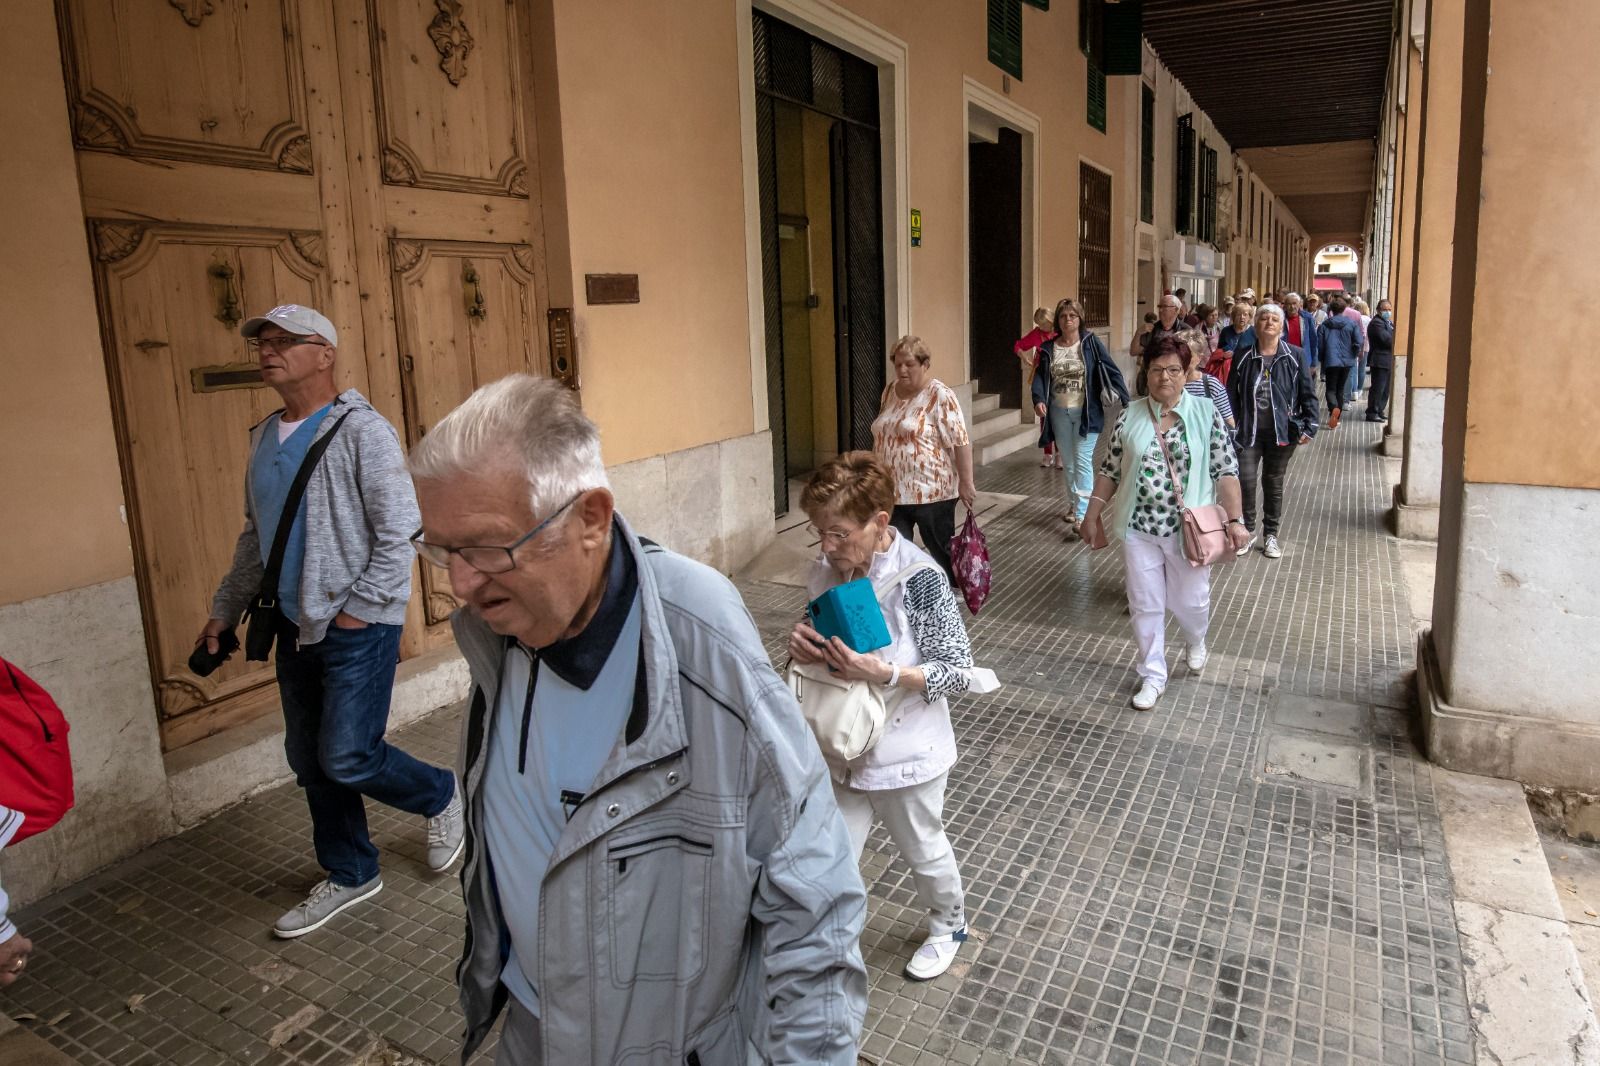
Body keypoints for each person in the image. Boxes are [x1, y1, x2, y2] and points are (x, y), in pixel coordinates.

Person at [408, 375, 868, 1064]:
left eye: (484, 548)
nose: (459, 583)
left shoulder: (702, 641)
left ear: (591, 518)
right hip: (526, 1035)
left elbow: (815, 901)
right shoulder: (498, 633)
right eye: (442, 550)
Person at [198, 305, 463, 939]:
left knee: (347, 754)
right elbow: (254, 536)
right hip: (291, 625)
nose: (269, 350)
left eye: (286, 341)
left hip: (354, 627)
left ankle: (441, 794)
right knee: (308, 758)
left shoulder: (362, 432)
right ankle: (350, 871)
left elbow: (400, 530)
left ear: (325, 353)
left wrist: (356, 611)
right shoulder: (263, 437)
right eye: (263, 342)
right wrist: (223, 610)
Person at [790, 451, 979, 981]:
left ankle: (948, 925)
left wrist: (885, 674)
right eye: (819, 533)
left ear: (880, 523)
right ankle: (832, 947)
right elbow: (820, 643)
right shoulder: (825, 571)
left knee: (923, 849)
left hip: (907, 750)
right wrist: (800, 646)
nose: (828, 547)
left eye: (840, 534)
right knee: (833, 857)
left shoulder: (921, 578)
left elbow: (957, 672)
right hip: (841, 746)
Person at [1080, 336, 1248, 711]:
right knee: (1145, 603)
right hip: (1139, 527)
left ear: (1187, 373)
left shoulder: (1206, 413)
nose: (1165, 377)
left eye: (1173, 369)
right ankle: (1153, 674)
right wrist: (1092, 514)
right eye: (1156, 369)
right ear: (1146, 373)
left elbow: (1225, 471)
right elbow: (1110, 470)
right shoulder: (1130, 413)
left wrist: (1235, 520)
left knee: (1191, 602)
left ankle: (1195, 638)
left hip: (1188, 532)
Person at [873, 336, 977, 582]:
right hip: (892, 491)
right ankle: (904, 590)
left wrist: (966, 481)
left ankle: (953, 587)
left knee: (940, 547)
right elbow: (882, 434)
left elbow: (960, 441)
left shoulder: (940, 394)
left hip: (932, 491)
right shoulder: (889, 391)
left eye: (909, 364)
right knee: (895, 548)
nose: (902, 370)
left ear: (924, 364)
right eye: (898, 364)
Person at [1226, 303, 1320, 560]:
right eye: (1264, 319)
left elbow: (1307, 392)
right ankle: (1247, 531)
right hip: (1248, 431)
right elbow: (1230, 393)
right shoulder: (1242, 354)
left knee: (1273, 482)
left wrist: (1311, 424)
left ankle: (1271, 535)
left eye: (1274, 319)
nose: (1269, 322)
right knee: (1245, 480)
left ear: (1282, 326)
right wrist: (1229, 426)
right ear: (1256, 326)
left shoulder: (1296, 355)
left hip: (1282, 432)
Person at [1031, 298, 1131, 538]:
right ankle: (1074, 503)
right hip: (1058, 412)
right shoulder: (1048, 348)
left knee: (1083, 460)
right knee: (1069, 462)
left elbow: (1111, 369)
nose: (1068, 320)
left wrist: (1128, 403)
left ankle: (1083, 514)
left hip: (1088, 412)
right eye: (1064, 316)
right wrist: (1038, 399)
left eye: (1072, 316)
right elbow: (1040, 377)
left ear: (1080, 319)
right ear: (1058, 320)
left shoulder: (1090, 343)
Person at [1014, 308, 1060, 469]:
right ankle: (1047, 453)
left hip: (1060, 378)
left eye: (1044, 324)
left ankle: (1060, 453)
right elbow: (1018, 345)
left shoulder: (1060, 332)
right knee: (1044, 415)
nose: (1042, 327)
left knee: (1059, 417)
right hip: (1042, 377)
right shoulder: (1037, 334)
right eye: (1039, 325)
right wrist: (1025, 358)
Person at [1316, 297, 1363, 429]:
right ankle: (1337, 415)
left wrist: (1322, 359)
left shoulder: (1325, 325)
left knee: (1330, 389)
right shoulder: (1351, 324)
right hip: (1347, 361)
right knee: (1340, 389)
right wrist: (1353, 355)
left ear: (1331, 309)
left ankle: (1333, 411)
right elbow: (1358, 342)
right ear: (1344, 309)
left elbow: (1320, 345)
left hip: (1331, 361)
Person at [1180, 329, 1234, 430]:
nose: (1182, 360)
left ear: (1199, 358)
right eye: (1178, 355)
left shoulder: (1211, 385)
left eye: (1188, 356)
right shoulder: (1169, 383)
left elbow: (1229, 423)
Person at [1366, 299, 1396, 422]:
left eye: (1389, 310)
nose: (1387, 312)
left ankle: (1379, 410)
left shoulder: (1388, 322)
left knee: (1385, 389)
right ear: (1378, 310)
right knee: (1378, 387)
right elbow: (1387, 340)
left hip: (1387, 360)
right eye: (1385, 310)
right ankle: (1372, 412)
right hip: (1380, 360)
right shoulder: (1376, 323)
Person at [1130, 293, 1185, 361]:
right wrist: (1138, 333)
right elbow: (1133, 352)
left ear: (1176, 310)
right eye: (1159, 306)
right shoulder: (1152, 329)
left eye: (1164, 306)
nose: (1160, 310)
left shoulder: (1185, 331)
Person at [1281, 293, 1320, 372]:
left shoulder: (1307, 318)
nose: (1292, 307)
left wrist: (1314, 363)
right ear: (1285, 305)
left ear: (1299, 304)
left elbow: (1314, 341)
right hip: (1285, 359)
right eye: (1289, 304)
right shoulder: (1281, 318)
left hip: (1303, 358)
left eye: (1294, 303)